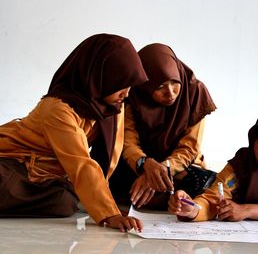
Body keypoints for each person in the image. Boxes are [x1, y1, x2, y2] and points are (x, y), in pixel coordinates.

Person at [0, 33, 148, 232]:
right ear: (99, 77)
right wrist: (109, 213)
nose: (126, 93)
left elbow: (110, 158)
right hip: (11, 162)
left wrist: (107, 205)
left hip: (46, 174)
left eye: (130, 86)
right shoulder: (58, 109)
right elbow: (81, 163)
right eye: (121, 84)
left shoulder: (111, 105)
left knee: (64, 203)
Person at [109, 43, 217, 210]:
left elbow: (189, 148)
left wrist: (160, 171)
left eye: (175, 82)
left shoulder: (194, 91)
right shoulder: (133, 94)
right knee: (110, 177)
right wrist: (145, 164)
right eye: (159, 87)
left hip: (180, 166)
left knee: (200, 183)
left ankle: (156, 197)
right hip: (140, 163)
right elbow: (128, 142)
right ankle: (163, 198)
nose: (171, 93)